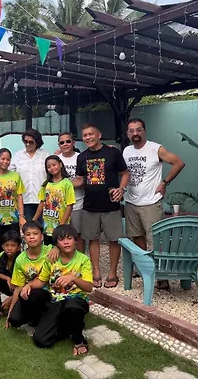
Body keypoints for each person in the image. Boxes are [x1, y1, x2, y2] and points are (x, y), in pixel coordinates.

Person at [74, 123, 129, 289]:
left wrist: (121, 189)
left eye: (91, 134)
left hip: (111, 205)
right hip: (90, 205)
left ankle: (112, 273)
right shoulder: (81, 157)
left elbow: (125, 173)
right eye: (85, 135)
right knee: (93, 239)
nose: (88, 137)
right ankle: (96, 271)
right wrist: (61, 184)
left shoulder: (113, 152)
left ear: (99, 135)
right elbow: (80, 179)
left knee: (114, 239)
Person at [30, 224, 93, 355]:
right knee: (40, 340)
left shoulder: (83, 260)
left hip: (76, 300)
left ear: (75, 241)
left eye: (69, 238)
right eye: (62, 239)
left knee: (72, 306)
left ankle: (78, 340)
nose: (66, 242)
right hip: (55, 302)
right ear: (57, 244)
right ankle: (63, 329)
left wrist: (73, 278)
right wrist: (28, 286)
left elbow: (89, 287)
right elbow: (41, 281)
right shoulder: (51, 259)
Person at [123, 118, 185, 251]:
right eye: (131, 131)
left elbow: (178, 163)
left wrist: (165, 183)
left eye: (138, 130)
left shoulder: (156, 148)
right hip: (131, 202)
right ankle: (142, 264)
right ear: (127, 133)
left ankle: (157, 264)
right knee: (137, 237)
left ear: (144, 131)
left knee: (155, 239)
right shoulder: (126, 151)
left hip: (150, 203)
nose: (135, 133)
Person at [6, 220, 57, 331]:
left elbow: (65, 249)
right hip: (29, 294)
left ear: (42, 236)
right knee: (14, 319)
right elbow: (18, 287)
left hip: (49, 294)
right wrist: (10, 312)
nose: (32, 237)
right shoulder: (20, 259)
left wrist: (56, 248)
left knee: (34, 293)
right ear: (24, 238)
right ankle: (34, 316)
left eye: (35, 233)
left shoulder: (50, 251)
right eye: (28, 234)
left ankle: (41, 319)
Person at [0, 148, 26, 270]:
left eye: (8, 159)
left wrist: (21, 216)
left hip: (13, 220)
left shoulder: (15, 176)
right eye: (2, 159)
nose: (5, 161)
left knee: (14, 247)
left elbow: (19, 196)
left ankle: (14, 272)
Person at [33, 155, 76, 246]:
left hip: (60, 226)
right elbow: (42, 203)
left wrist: (61, 224)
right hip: (47, 226)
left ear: (60, 164)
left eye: (54, 165)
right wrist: (34, 220)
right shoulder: (46, 184)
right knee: (48, 248)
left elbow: (70, 205)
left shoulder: (67, 184)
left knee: (61, 248)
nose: (52, 168)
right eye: (49, 167)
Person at [10, 129, 49, 221]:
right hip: (25, 199)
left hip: (42, 200)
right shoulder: (18, 155)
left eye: (31, 142)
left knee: (43, 227)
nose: (27, 144)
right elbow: (9, 172)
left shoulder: (45, 155)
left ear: (37, 142)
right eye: (25, 141)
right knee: (28, 227)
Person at [58, 132, 85, 252]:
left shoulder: (81, 157)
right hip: (60, 206)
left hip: (78, 203)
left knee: (78, 235)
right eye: (62, 142)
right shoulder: (56, 159)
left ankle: (80, 259)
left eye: (68, 141)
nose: (65, 144)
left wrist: (63, 185)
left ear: (73, 143)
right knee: (61, 235)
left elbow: (83, 180)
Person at [0, 230, 22, 322]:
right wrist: (7, 278)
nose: (9, 248)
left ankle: (14, 306)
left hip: (20, 288)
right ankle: (0, 309)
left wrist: (11, 298)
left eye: (13, 245)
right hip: (10, 285)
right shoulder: (2, 255)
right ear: (3, 246)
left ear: (19, 247)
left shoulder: (22, 258)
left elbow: (25, 283)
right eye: (7, 245)